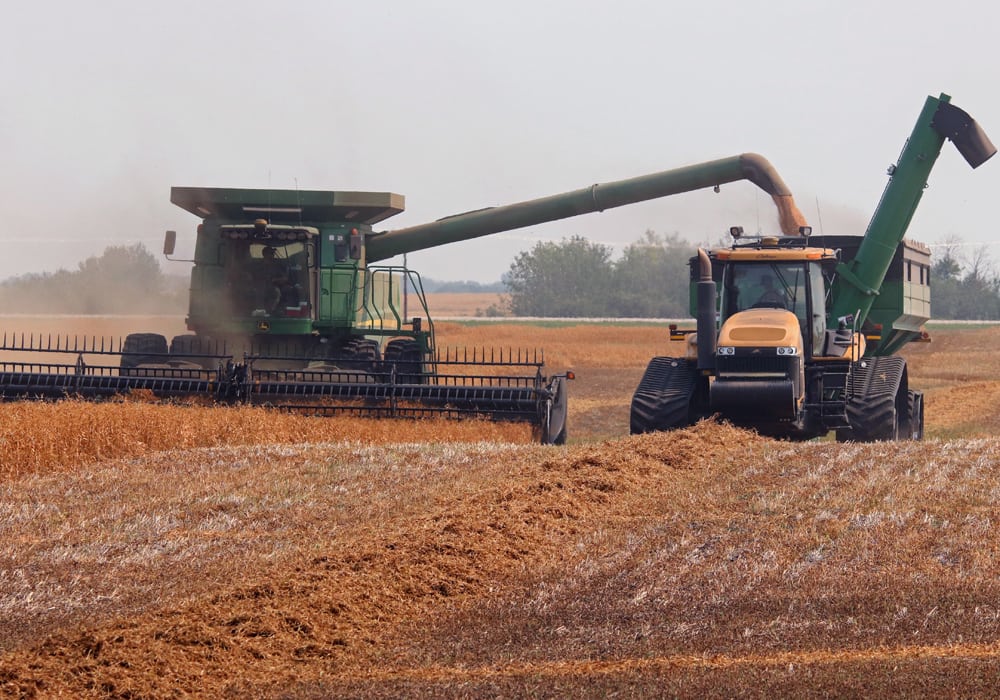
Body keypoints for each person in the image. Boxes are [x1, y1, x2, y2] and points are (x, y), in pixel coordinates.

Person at [258, 246, 290, 313]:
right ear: (264, 254)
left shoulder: (277, 265)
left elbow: (284, 278)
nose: (272, 255)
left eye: (272, 254)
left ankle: (271, 311)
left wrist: (275, 280)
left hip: (273, 286)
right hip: (259, 285)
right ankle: (259, 311)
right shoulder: (258, 265)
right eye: (269, 253)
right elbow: (253, 275)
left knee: (276, 292)